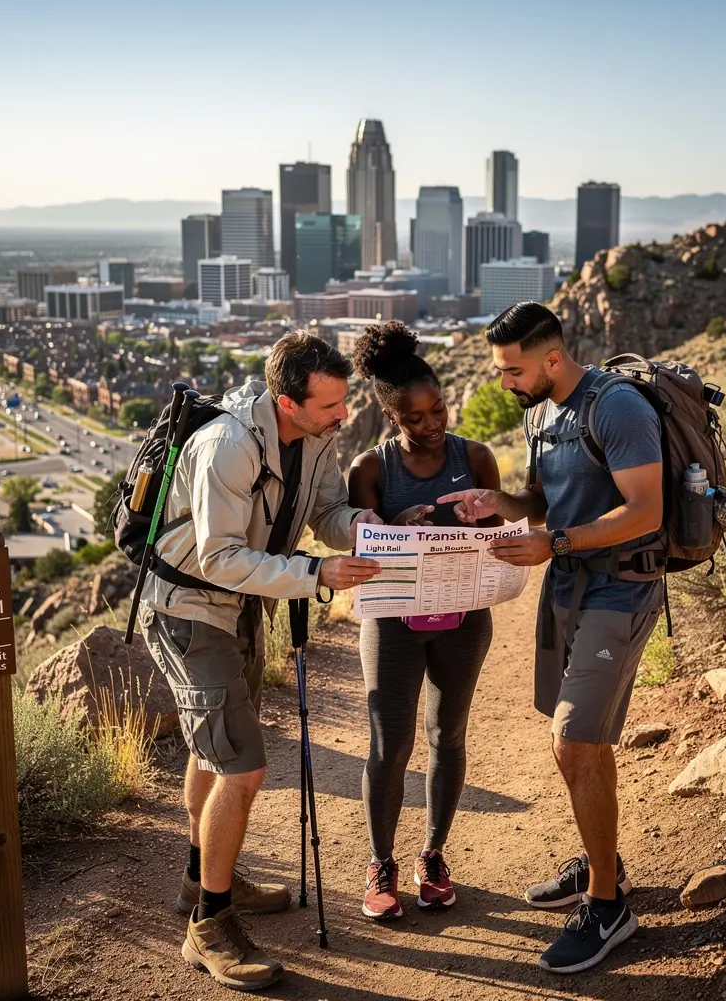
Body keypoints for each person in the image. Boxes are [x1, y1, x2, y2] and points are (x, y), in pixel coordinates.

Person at [138, 331, 382, 992]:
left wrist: (375, 531)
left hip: (239, 606)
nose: (342, 416)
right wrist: (316, 573)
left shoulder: (316, 435)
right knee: (242, 768)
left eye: (342, 404)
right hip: (189, 610)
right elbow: (218, 556)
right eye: (330, 406)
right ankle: (209, 929)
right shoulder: (229, 446)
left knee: (210, 750)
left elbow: (327, 511)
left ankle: (202, 880)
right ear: (286, 400)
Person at [437, 301, 664, 975]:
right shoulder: (539, 412)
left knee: (575, 740)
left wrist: (554, 542)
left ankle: (608, 907)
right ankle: (604, 866)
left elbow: (647, 510)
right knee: (579, 745)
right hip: (568, 588)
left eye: (512, 369)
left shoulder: (616, 408)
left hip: (621, 588)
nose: (504, 381)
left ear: (553, 360)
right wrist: (498, 507)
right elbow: (543, 502)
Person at [347, 321, 501, 920]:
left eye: (439, 409)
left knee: (447, 736)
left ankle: (433, 855)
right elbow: (360, 549)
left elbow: (499, 533)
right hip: (393, 625)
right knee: (390, 744)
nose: (433, 423)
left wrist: (478, 521)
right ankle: (380, 864)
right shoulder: (370, 470)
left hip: (464, 619)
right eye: (416, 418)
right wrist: (396, 529)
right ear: (392, 418)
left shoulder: (477, 457)